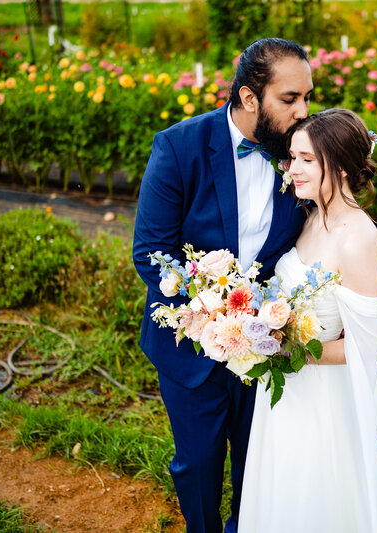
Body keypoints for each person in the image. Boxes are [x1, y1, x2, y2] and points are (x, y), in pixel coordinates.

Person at [238, 109, 377, 533]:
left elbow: (365, 348)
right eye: (292, 157)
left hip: (322, 397)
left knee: (315, 497)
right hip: (282, 390)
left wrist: (285, 348)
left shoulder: (358, 236)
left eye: (306, 159)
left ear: (338, 167)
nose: (292, 169)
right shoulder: (308, 215)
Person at [132, 38, 313, 533]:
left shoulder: (299, 152)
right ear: (250, 97)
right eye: (290, 99)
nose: (303, 112)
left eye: (307, 98)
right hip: (190, 346)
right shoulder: (178, 146)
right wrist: (214, 310)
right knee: (199, 466)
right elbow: (150, 251)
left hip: (268, 347)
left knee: (259, 464)